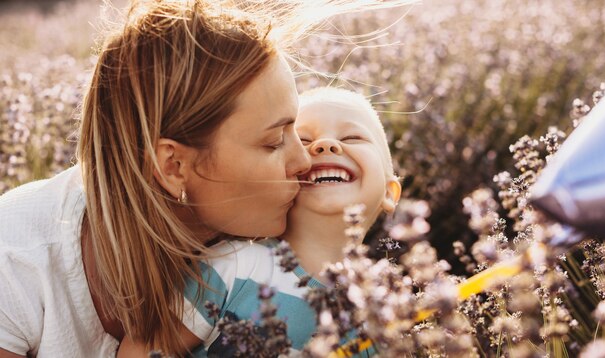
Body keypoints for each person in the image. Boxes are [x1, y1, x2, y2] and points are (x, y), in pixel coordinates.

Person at [0, 0, 316, 356]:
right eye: (274, 142)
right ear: (173, 167)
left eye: (297, 131)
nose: (303, 160)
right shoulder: (13, 260)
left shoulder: (271, 243)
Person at [116, 87, 402, 356]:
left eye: (352, 138)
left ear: (390, 193)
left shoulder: (376, 314)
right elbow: (142, 349)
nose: (325, 145)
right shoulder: (234, 266)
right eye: (303, 141)